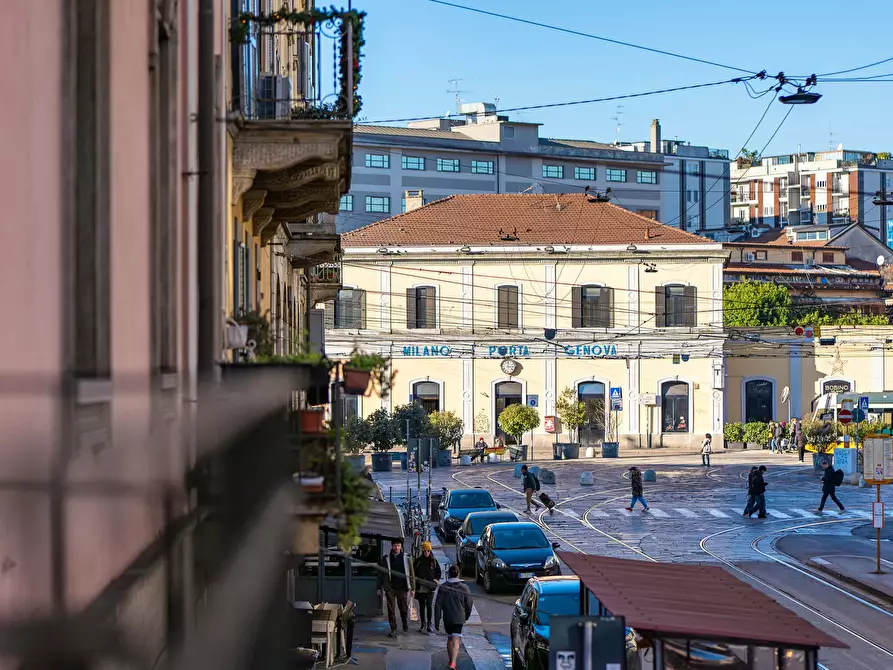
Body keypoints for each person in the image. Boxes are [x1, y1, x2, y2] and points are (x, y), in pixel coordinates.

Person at [434, 564, 474, 670]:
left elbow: (438, 605)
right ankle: (453, 663)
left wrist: (437, 620)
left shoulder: (443, 587)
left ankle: (451, 660)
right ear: (458, 574)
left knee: (450, 638)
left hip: (447, 618)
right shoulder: (464, 588)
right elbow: (469, 603)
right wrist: (467, 616)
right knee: (456, 639)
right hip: (459, 617)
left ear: (448, 575)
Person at [378, 540, 413, 637]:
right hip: (390, 587)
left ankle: (404, 623)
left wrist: (412, 588)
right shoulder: (386, 558)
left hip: (402, 587)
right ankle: (393, 628)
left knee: (403, 608)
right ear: (392, 546)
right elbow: (380, 573)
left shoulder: (406, 558)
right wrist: (379, 586)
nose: (397, 548)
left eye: (398, 546)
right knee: (391, 609)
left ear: (401, 546)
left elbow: (411, 573)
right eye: (395, 546)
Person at [413, 541, 442, 634]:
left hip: (430, 587)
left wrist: (435, 581)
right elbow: (413, 572)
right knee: (422, 606)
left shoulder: (434, 561)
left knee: (429, 606)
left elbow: (438, 572)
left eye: (428, 551)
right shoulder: (418, 561)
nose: (427, 553)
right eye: (425, 551)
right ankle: (423, 624)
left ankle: (429, 623)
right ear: (423, 551)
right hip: (420, 587)